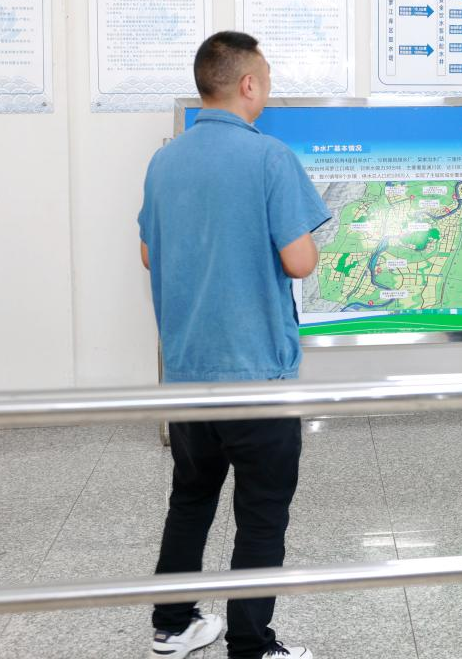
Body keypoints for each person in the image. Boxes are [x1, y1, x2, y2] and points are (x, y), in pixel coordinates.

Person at [138, 32, 328, 659]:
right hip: (257, 374)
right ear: (248, 83)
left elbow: (148, 253)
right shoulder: (269, 156)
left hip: (187, 373)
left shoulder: (165, 160)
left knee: (190, 498)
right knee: (262, 512)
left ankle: (173, 625)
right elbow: (299, 261)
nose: (267, 89)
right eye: (266, 77)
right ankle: (251, 645)